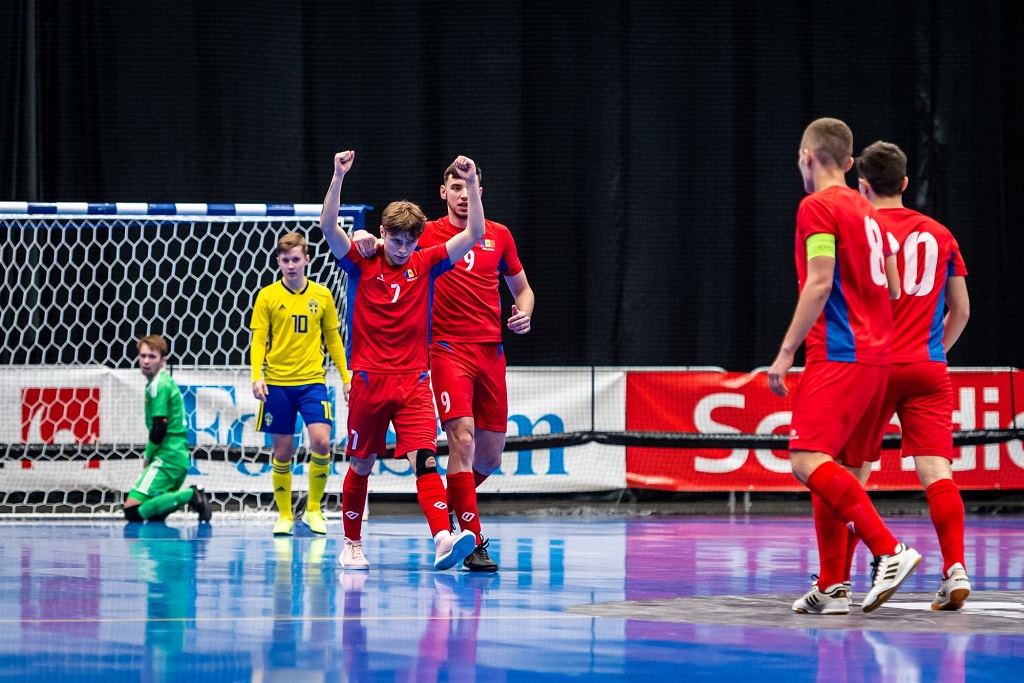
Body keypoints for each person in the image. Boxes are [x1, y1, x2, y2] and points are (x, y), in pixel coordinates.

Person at [767, 117, 921, 615]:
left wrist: (787, 351)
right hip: (879, 361)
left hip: (839, 356)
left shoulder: (817, 207)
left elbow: (819, 281)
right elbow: (896, 288)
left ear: (807, 157)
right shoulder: (871, 212)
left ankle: (889, 551)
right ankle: (834, 586)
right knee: (841, 472)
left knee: (805, 461)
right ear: (851, 164)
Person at [353, 162, 535, 572]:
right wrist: (362, 236)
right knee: (463, 442)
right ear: (443, 192)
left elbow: (523, 290)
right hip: (445, 349)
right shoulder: (428, 234)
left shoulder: (499, 235)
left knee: (489, 459)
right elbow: (389, 247)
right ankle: (472, 543)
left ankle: (446, 514)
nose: (463, 194)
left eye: (469, 186)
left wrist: (523, 313)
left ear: (479, 191)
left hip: (491, 352)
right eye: (456, 187)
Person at [319, 150, 482, 571]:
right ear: (382, 233)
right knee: (361, 463)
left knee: (426, 457)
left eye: (411, 240)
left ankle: (443, 539)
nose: (404, 247)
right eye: (397, 239)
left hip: (413, 381)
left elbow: (474, 234)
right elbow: (326, 227)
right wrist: (338, 176)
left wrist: (473, 184)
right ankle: (351, 544)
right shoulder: (360, 261)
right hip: (370, 382)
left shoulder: (426, 262)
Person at [853, 140, 971, 610]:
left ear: (862, 185)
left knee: (848, 477)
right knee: (937, 472)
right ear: (904, 183)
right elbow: (960, 311)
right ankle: (956, 568)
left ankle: (837, 580)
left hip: (872, 368)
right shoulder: (942, 234)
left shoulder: (859, 228)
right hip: (927, 366)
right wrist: (932, 351)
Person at [250, 232, 352, 537]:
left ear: (306, 259)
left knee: (322, 441)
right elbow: (258, 340)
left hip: (312, 383)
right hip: (278, 385)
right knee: (283, 451)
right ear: (279, 261)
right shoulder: (268, 296)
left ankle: (314, 509)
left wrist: (346, 378)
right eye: (285, 260)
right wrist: (258, 375)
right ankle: (284, 515)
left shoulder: (321, 295)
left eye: (296, 259)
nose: (291, 265)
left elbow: (334, 340)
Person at [123, 334, 212, 524]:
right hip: (177, 458)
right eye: (143, 356)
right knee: (155, 514)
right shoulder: (164, 382)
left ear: (163, 360)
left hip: (167, 459)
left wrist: (148, 455)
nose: (146, 361)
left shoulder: (158, 384)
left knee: (132, 511)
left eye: (152, 357)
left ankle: (190, 495)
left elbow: (159, 427)